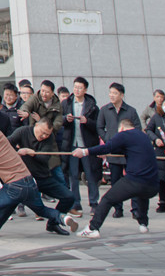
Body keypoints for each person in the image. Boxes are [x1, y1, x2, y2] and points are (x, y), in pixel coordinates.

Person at [73, 118, 159, 238]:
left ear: (122, 128)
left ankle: (93, 228)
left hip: (135, 180)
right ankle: (143, 224)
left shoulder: (124, 134)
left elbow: (107, 146)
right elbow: (121, 149)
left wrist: (84, 152)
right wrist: (106, 153)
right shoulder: (143, 135)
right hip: (153, 184)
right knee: (142, 195)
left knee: (107, 199)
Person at [0, 119, 73, 232]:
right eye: (42, 132)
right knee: (11, 202)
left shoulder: (49, 138)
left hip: (43, 177)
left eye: (47, 134)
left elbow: (44, 158)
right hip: (23, 178)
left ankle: (53, 224)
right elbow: (6, 144)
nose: (44, 136)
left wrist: (31, 153)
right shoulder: (22, 131)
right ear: (36, 125)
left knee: (69, 197)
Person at [96, 82, 140, 218]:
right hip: (113, 151)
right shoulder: (105, 110)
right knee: (115, 182)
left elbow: (137, 128)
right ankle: (118, 209)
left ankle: (135, 209)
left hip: (128, 152)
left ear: (121, 95)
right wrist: (107, 139)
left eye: (115, 93)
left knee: (133, 180)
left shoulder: (131, 111)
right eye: (110, 92)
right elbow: (99, 127)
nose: (112, 95)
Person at [61, 77, 101, 217]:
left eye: (80, 88)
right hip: (71, 145)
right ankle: (75, 203)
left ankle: (94, 203)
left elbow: (98, 126)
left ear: (85, 90)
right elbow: (59, 120)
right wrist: (66, 119)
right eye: (75, 87)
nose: (77, 90)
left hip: (87, 146)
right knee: (73, 175)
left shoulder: (92, 106)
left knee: (90, 175)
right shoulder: (66, 103)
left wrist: (87, 121)